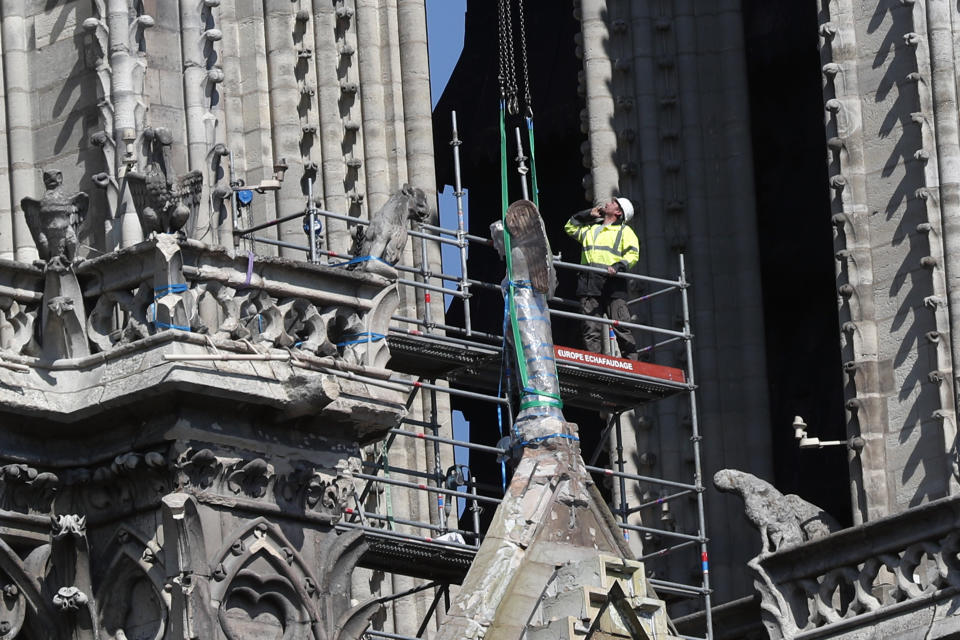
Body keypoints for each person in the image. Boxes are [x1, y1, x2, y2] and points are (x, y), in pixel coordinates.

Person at [564, 197, 640, 359]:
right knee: (590, 329)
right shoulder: (591, 229)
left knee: (621, 326)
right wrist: (588, 215)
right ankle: (596, 363)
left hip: (613, 283)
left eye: (613, 203)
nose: (608, 203)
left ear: (618, 212)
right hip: (589, 283)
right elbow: (570, 227)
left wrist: (619, 267)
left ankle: (632, 364)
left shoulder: (624, 231)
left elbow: (632, 254)